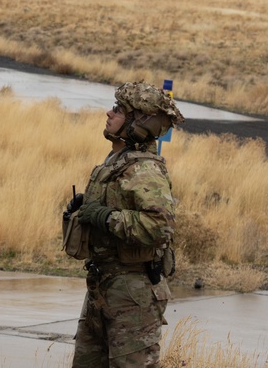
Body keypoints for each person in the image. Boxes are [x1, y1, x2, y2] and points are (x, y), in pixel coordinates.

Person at [64, 81, 183, 367]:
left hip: (133, 292)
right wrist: (84, 210)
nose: (109, 113)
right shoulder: (117, 161)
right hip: (104, 285)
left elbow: (160, 224)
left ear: (137, 123)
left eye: (118, 109)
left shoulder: (144, 168)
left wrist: (104, 217)